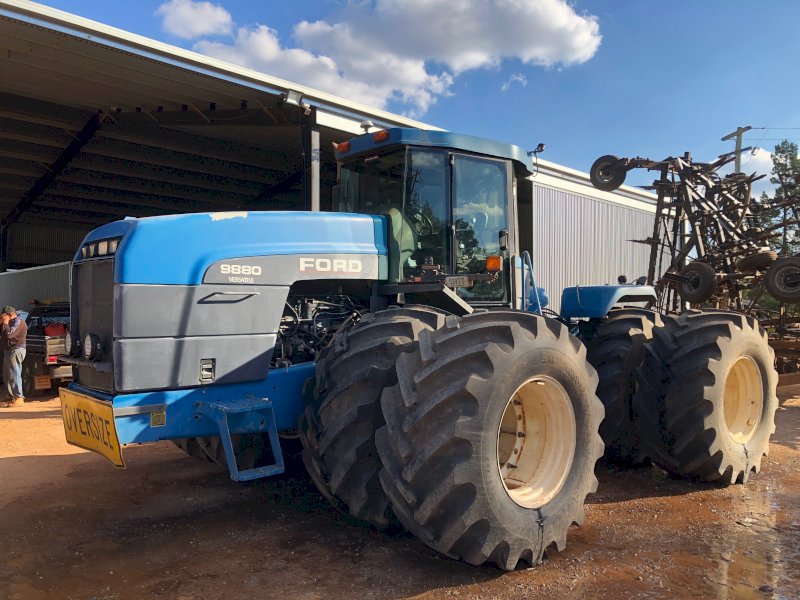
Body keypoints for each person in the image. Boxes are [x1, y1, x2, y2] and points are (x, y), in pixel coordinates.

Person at [1, 306, 27, 408]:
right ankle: (10, 397)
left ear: (10, 315)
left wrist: (6, 323)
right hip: (8, 351)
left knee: (14, 373)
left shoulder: (19, 323)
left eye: (4, 316)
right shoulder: (8, 323)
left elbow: (9, 334)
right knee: (7, 375)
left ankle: (19, 397)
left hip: (16, 350)